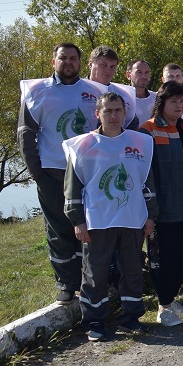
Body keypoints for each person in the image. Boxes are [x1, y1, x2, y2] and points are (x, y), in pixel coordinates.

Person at [62, 92, 157, 340]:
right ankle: (95, 322)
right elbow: (72, 188)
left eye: (118, 110)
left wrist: (150, 216)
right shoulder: (82, 145)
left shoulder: (141, 142)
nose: (113, 116)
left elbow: (148, 182)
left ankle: (130, 318)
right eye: (108, 111)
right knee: (95, 272)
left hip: (132, 217)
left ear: (125, 113)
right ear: (98, 114)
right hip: (97, 220)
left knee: (133, 269)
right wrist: (77, 220)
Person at [18, 43, 103, 302]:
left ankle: (92, 283)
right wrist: (38, 174)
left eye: (73, 58)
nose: (68, 62)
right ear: (53, 60)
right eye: (63, 58)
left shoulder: (93, 92)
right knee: (59, 231)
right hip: (52, 174)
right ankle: (66, 284)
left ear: (80, 63)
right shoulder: (37, 92)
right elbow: (25, 135)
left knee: (88, 229)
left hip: (86, 174)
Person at [139, 81, 183, 327]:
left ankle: (171, 298)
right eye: (173, 100)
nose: (179, 105)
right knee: (164, 257)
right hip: (163, 207)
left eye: (182, 100)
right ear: (161, 103)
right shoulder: (149, 130)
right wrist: (151, 209)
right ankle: (162, 306)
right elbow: (146, 173)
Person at [87, 46, 138, 129]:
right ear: (90, 64)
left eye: (112, 67)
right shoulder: (76, 89)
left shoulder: (125, 94)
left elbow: (132, 124)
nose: (108, 70)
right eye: (103, 65)